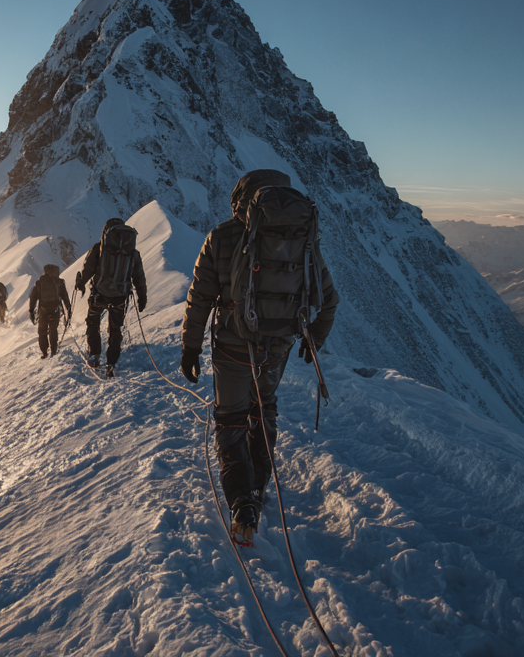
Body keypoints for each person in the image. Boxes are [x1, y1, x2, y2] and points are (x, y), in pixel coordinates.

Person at [180, 169, 338, 547]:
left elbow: (200, 297)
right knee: (263, 408)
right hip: (278, 346)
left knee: (230, 420)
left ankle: (241, 503)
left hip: (233, 346)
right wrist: (312, 338)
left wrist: (190, 346)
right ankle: (257, 488)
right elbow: (329, 299)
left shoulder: (221, 236)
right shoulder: (303, 238)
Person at [74, 217, 147, 378]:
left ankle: (94, 355)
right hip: (120, 297)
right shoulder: (132, 253)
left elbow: (88, 268)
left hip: (99, 294)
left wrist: (81, 283)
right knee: (115, 329)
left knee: (93, 322)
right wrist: (142, 297)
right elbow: (139, 277)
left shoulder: (100, 248)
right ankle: (111, 363)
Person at [28, 264, 71, 358]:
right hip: (55, 310)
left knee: (42, 332)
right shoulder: (59, 282)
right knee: (53, 330)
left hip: (43, 311)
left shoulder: (40, 282)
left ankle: (44, 352)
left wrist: (31, 311)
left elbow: (33, 298)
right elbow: (65, 296)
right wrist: (68, 307)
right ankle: (54, 349)